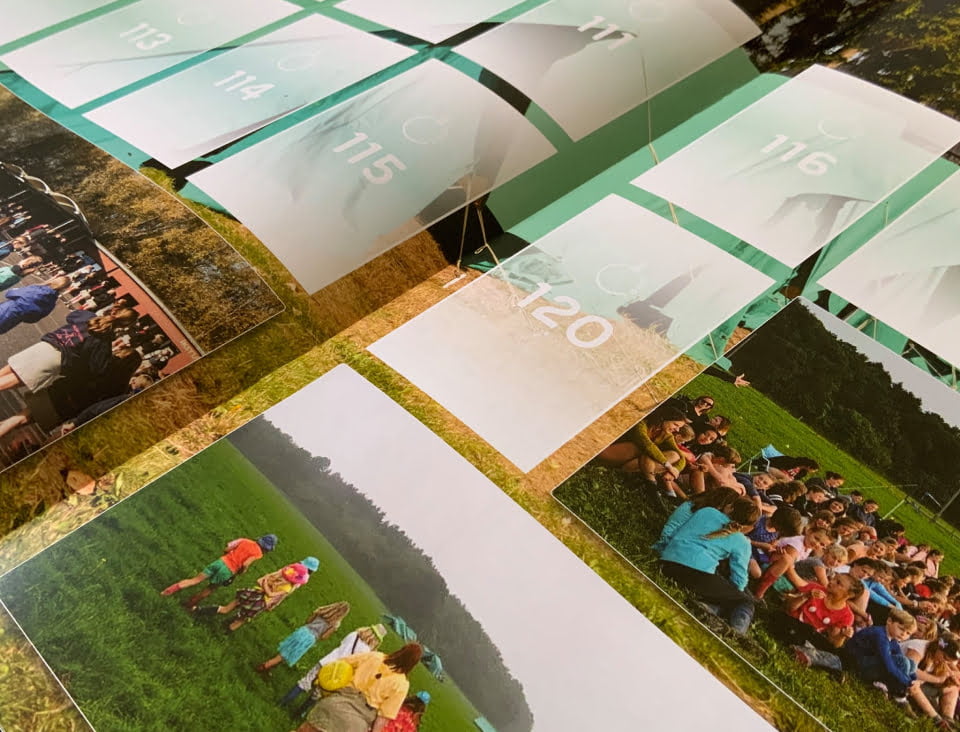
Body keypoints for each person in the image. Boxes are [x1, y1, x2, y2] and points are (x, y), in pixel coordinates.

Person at [659, 497, 760, 635]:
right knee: (745, 602)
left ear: (730, 507)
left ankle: (708, 609)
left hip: (668, 563)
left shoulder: (707, 511)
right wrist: (734, 593)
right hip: (697, 576)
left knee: (724, 594)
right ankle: (736, 634)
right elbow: (739, 581)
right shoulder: (742, 542)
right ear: (748, 526)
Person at [297, 643, 423, 732]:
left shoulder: (375, 656)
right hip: (356, 723)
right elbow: (383, 717)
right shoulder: (401, 685)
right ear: (412, 665)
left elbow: (342, 663)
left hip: (335, 703)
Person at [195, 557, 319, 632]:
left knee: (226, 608)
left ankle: (199, 610)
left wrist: (264, 583)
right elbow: (277, 596)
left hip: (253, 593)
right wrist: (273, 605)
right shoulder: (290, 587)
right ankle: (223, 631)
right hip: (261, 603)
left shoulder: (282, 572)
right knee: (241, 620)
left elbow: (262, 579)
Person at [280, 624, 388, 710]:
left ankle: (283, 702)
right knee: (318, 693)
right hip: (338, 672)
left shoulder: (354, 634)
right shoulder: (367, 652)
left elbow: (342, 643)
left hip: (328, 661)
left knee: (306, 681)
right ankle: (299, 713)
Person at [160, 534, 278, 608]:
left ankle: (167, 591)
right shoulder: (258, 553)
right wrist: (242, 571)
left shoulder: (245, 541)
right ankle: (189, 604)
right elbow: (246, 563)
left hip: (220, 562)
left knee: (195, 580)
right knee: (209, 589)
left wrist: (227, 556)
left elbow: (227, 549)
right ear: (267, 549)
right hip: (229, 570)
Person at [596, 407, 688, 488]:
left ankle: (641, 476)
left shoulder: (666, 435)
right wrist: (668, 465)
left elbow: (681, 457)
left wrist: (675, 470)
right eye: (675, 425)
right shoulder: (642, 424)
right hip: (606, 451)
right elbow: (647, 445)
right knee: (641, 448)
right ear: (664, 419)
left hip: (630, 462)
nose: (677, 430)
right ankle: (648, 481)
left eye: (679, 427)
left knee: (675, 455)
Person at [257, 602, 352, 673]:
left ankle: (271, 665)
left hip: (303, 630)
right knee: (288, 654)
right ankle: (266, 665)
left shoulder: (322, 610)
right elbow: (324, 637)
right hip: (310, 639)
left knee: (287, 648)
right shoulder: (335, 624)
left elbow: (308, 621)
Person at [0, 276, 69, 334]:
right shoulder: (51, 303)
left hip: (5, 309)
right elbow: (34, 319)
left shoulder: (36, 289)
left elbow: (9, 294)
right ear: (63, 289)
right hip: (12, 321)